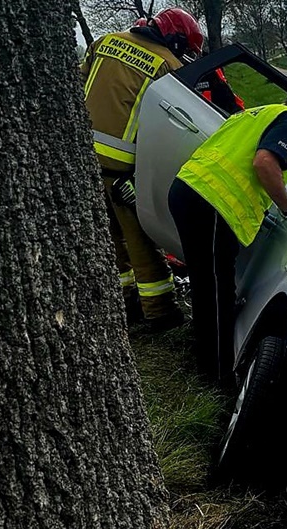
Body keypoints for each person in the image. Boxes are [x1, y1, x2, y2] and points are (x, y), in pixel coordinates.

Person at [168, 90, 287, 381]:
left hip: (188, 188)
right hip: (214, 203)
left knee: (206, 284)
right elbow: (264, 162)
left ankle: (203, 356)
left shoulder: (256, 113)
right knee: (217, 291)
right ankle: (215, 375)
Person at [81, 7, 203, 331]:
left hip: (85, 159)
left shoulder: (103, 42)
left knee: (109, 237)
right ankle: (161, 311)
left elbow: (80, 83)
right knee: (140, 240)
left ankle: (125, 300)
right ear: (176, 40)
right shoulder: (168, 65)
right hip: (124, 168)